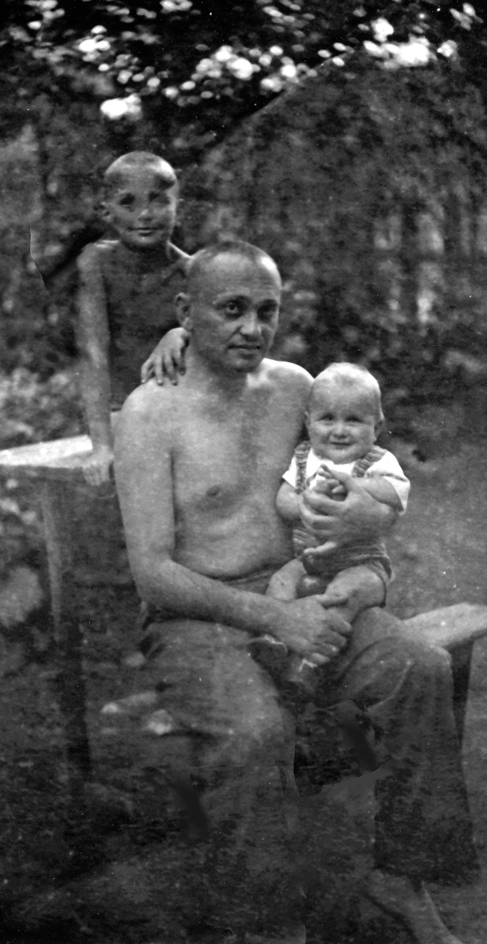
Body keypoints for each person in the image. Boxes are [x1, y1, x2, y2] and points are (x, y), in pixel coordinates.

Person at [115, 240, 475, 943]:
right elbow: (152, 573)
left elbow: (363, 463)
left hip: (306, 589)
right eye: (231, 309)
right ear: (186, 312)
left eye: (266, 310)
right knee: (257, 733)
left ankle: (401, 877)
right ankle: (268, 926)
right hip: (197, 615)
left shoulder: (294, 388)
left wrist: (366, 521)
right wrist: (275, 617)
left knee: (422, 668)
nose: (252, 327)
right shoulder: (149, 413)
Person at [252, 362, 410, 697]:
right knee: (281, 581)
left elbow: (398, 492)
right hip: (308, 558)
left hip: (361, 562)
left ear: (377, 427)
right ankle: (273, 640)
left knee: (342, 596)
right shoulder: (304, 458)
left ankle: (310, 662)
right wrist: (304, 504)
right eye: (327, 419)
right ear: (308, 422)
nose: (339, 431)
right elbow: (283, 499)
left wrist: (358, 485)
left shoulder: (378, 462)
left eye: (353, 420)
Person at [75, 151, 191, 485]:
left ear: (178, 206)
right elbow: (93, 353)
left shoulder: (193, 271)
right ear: (106, 211)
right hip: (120, 414)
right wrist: (101, 447)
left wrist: (180, 335)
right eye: (128, 203)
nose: (145, 215)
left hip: (183, 411)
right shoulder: (96, 264)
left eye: (158, 201)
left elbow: (217, 344)